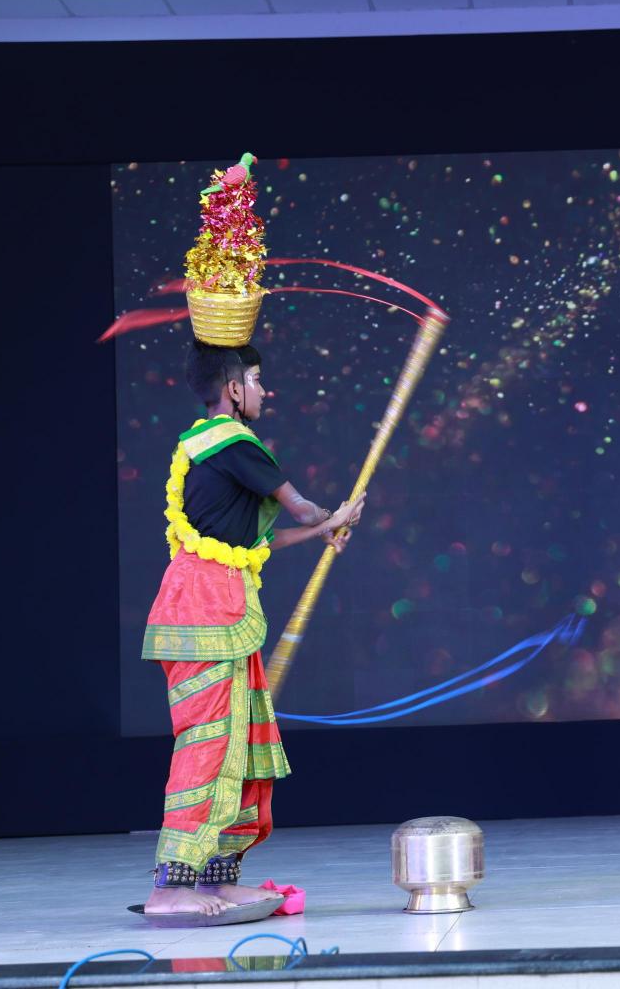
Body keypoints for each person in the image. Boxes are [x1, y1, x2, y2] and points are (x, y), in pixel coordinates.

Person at [142, 341, 364, 920]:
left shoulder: (205, 446)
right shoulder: (235, 442)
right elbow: (301, 508)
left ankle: (216, 880)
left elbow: (255, 540)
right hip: (206, 611)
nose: (265, 391)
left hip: (218, 607)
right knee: (210, 743)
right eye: (258, 380)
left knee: (238, 743)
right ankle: (170, 886)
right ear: (234, 389)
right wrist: (332, 516)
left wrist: (322, 530)